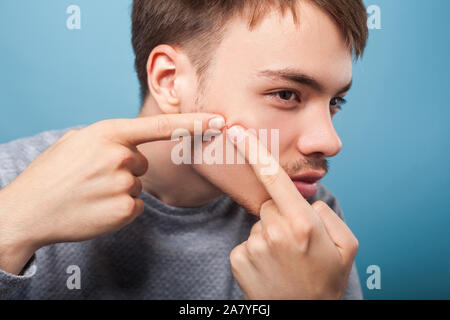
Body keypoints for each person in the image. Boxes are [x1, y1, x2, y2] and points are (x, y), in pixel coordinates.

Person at [0, 0, 368, 299]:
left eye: (336, 101)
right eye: (286, 94)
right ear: (170, 81)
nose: (329, 141)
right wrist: (9, 229)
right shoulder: (11, 180)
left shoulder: (311, 221)